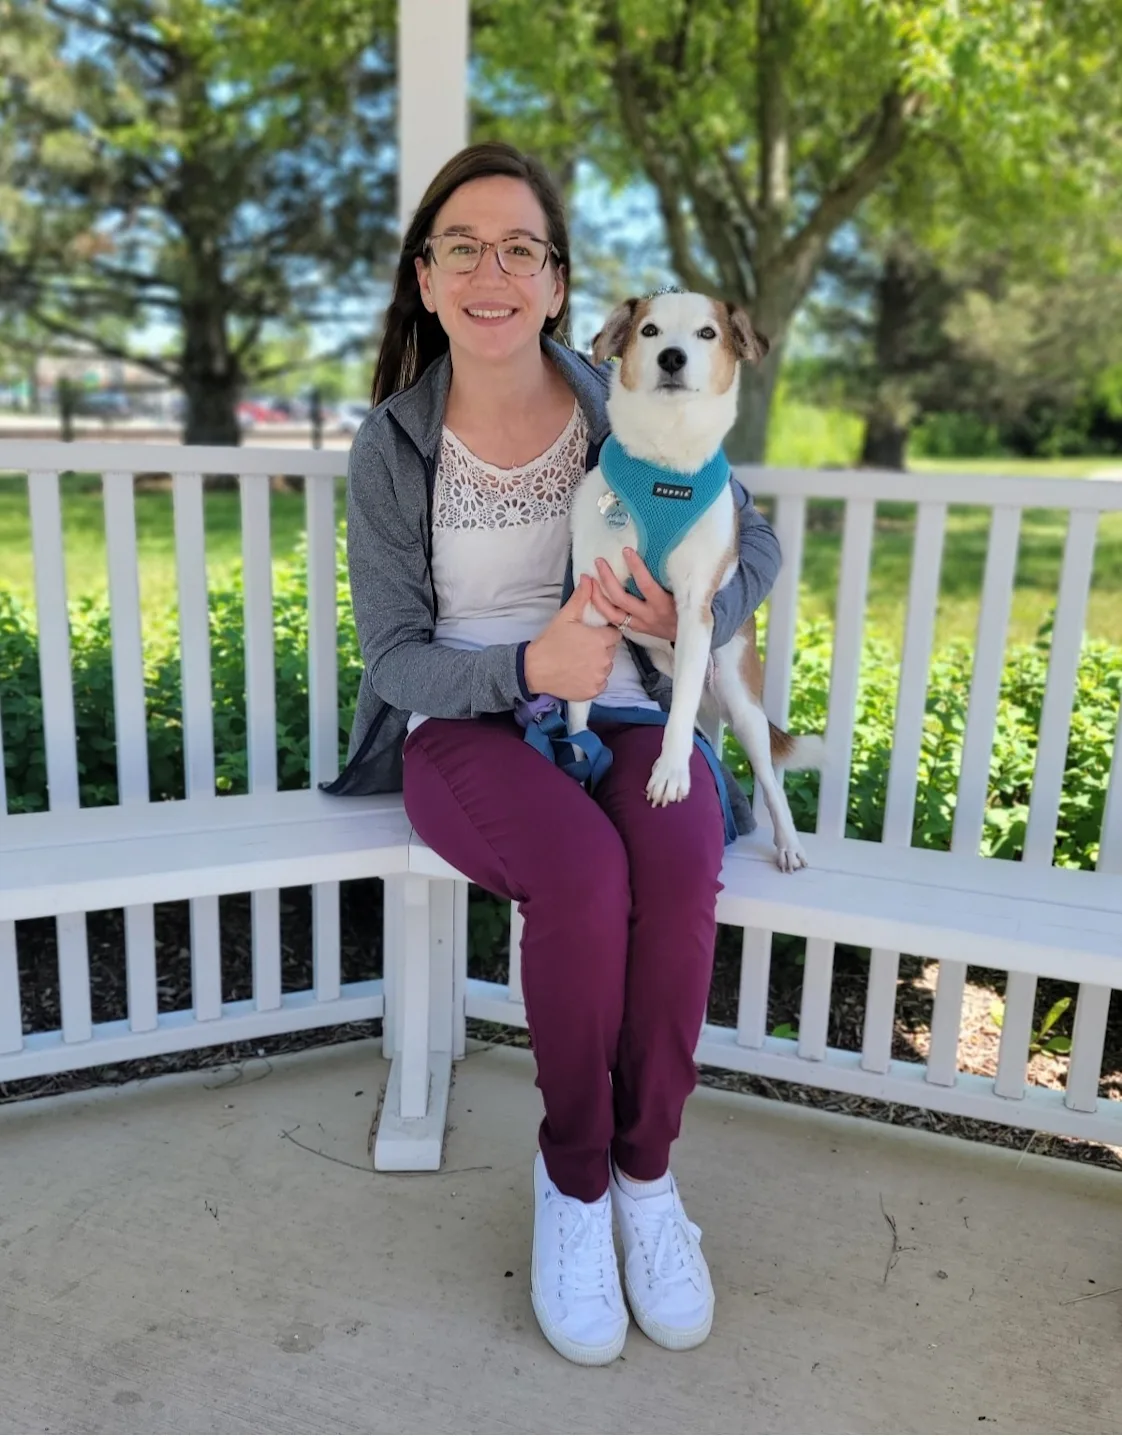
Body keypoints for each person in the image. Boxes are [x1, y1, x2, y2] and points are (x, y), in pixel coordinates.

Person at [328, 142, 781, 1366]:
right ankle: (576, 1181)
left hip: (628, 711)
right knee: (582, 875)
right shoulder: (394, 446)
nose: (493, 272)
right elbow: (395, 659)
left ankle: (647, 1175)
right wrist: (527, 666)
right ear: (426, 278)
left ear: (559, 282)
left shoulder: (617, 401)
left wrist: (682, 612)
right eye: (462, 247)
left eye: (520, 248)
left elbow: (755, 541)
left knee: (677, 860)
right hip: (466, 727)